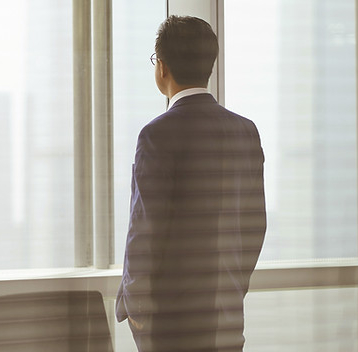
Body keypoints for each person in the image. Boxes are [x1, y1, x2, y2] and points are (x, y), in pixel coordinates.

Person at [115, 15, 267, 351]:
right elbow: (255, 227)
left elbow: (144, 230)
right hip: (227, 322)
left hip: (172, 324)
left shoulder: (156, 135)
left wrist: (138, 312)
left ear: (162, 68)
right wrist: (228, 287)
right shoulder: (245, 132)